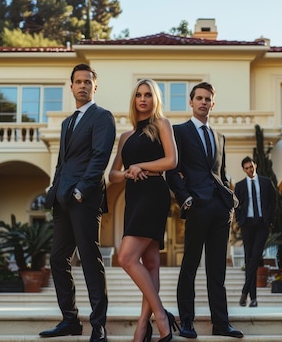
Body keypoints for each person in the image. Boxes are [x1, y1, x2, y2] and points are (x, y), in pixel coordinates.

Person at [40, 63, 116, 342]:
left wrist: (81, 190)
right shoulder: (67, 123)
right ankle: (70, 320)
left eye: (88, 81)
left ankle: (99, 325)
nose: (83, 85)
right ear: (70, 86)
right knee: (58, 259)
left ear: (95, 86)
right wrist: (54, 190)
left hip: (84, 198)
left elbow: (100, 158)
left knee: (89, 258)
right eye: (78, 81)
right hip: (62, 200)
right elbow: (63, 162)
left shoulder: (103, 117)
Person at [166, 82, 244, 339]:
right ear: (191, 102)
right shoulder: (179, 132)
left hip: (220, 209)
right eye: (198, 98)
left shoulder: (219, 136)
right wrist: (185, 198)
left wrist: (229, 200)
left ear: (213, 103)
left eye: (207, 98)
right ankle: (186, 322)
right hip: (196, 206)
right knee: (189, 266)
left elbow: (220, 174)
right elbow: (172, 171)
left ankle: (221, 323)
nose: (203, 102)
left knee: (217, 270)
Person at [108, 79, 179, 342]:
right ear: (134, 99)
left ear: (155, 99)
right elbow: (112, 175)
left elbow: (171, 161)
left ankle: (159, 317)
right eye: (139, 94)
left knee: (126, 257)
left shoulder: (162, 125)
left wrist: (141, 166)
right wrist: (128, 171)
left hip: (153, 194)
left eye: (148, 94)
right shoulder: (125, 136)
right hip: (133, 196)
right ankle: (143, 326)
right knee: (150, 264)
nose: (143, 99)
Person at [234, 156, 277, 307]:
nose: (249, 170)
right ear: (243, 169)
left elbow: (274, 202)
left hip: (262, 224)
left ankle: (245, 292)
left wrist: (270, 220)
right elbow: (236, 205)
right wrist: (240, 221)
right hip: (247, 225)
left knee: (256, 256)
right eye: (246, 168)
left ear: (255, 165)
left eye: (251, 167)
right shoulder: (239, 186)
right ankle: (253, 298)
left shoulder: (266, 182)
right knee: (249, 259)